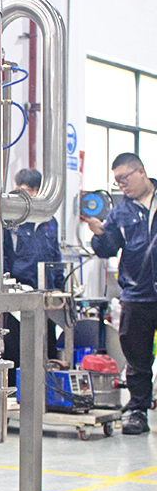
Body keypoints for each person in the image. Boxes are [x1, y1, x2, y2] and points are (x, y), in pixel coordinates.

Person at [85, 152, 157, 435]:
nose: (121, 185)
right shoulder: (121, 212)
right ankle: (138, 411)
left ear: (141, 171)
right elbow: (108, 249)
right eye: (117, 181)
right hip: (137, 296)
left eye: (124, 178)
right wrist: (99, 234)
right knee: (137, 359)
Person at [3, 168, 65, 384]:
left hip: (46, 297)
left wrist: (60, 291)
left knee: (47, 349)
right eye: (26, 190)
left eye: (34, 190)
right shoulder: (10, 221)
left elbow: (55, 257)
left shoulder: (50, 221)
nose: (31, 195)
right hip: (18, 298)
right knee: (15, 350)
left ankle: (47, 392)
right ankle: (14, 393)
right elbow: (3, 255)